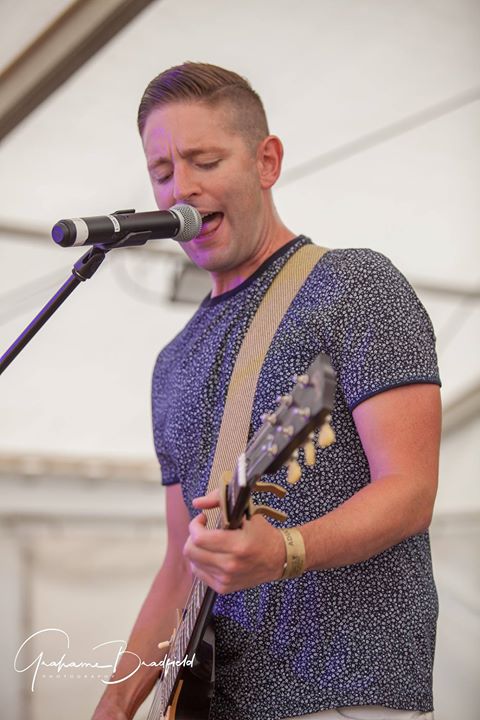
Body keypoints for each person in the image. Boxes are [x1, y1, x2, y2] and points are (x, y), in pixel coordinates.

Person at [92, 62, 441, 720]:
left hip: (346, 691)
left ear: (267, 161)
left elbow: (411, 490)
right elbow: (181, 566)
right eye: (162, 171)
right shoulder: (172, 362)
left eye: (204, 161)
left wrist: (286, 549)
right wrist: (113, 706)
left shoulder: (354, 286)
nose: (181, 189)